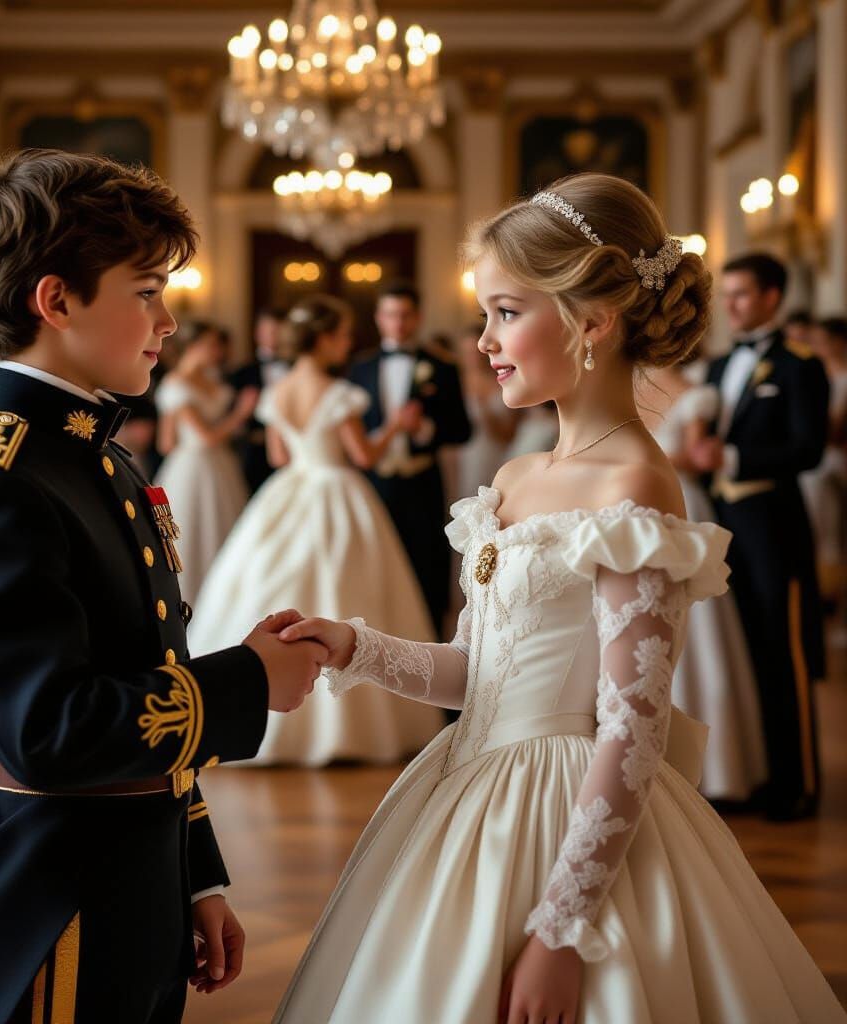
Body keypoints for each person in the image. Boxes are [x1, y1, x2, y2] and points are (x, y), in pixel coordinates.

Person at [268, 174, 844, 1024]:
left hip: (569, 814)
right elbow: (480, 676)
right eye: (485, 316)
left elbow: (633, 724)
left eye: (505, 312)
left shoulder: (634, 483)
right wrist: (354, 647)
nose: (484, 342)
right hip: (466, 792)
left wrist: (562, 928)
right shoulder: (511, 478)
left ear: (593, 321)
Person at [0, 148, 325, 1024]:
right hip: (48, 900)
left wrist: (194, 869)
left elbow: (144, 664)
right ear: (55, 301)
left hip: (134, 872)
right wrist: (246, 681)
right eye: (147, 290)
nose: (167, 321)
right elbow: (50, 730)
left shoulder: (93, 454)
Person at [189, 296, 443, 765]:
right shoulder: (339, 392)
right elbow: (365, 457)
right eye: (344, 335)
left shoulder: (278, 391)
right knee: (349, 588)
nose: (348, 344)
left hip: (289, 490)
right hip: (337, 490)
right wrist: (393, 426)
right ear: (324, 338)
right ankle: (350, 723)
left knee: (266, 580)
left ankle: (258, 721)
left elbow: (278, 457)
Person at [695, 253, 828, 821]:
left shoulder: (802, 367)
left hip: (773, 525)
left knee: (782, 650)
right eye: (726, 295)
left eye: (742, 294)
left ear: (773, 296)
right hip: (721, 521)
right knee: (741, 649)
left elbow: (809, 449)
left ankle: (796, 782)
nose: (731, 306)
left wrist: (730, 455)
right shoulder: (718, 365)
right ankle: (751, 771)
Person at [637, 362, 767, 802]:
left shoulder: (695, 396)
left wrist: (637, 460)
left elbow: (695, 459)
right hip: (628, 517)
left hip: (680, 507)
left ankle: (711, 770)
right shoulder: (625, 386)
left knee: (693, 635)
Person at [350, 282, 471, 633]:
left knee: (427, 561)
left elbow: (462, 430)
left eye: (405, 315)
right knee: (376, 561)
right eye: (390, 315)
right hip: (374, 481)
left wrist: (424, 429)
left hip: (422, 481)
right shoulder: (360, 367)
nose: (398, 323)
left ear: (417, 317)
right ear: (378, 318)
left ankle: (429, 638)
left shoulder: (443, 366)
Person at [153, 320, 256, 603]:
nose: (218, 351)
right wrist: (241, 414)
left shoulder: (212, 379)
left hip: (221, 465)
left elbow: (166, 442)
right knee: (194, 534)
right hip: (193, 469)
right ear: (193, 346)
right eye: (211, 344)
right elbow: (203, 438)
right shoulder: (176, 383)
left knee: (223, 530)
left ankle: (222, 600)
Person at [801, 315, 847, 638]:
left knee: (832, 535)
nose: (816, 346)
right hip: (818, 462)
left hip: (834, 461)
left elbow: (831, 428)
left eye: (822, 340)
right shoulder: (816, 373)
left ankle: (833, 604)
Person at [450, 321, 518, 503]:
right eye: (467, 352)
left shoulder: (502, 381)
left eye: (476, 352)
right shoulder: (454, 384)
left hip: (497, 455)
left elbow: (509, 435)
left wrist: (486, 412)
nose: (473, 357)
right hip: (463, 459)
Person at [230, 306, 290, 494]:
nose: (275, 336)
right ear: (258, 333)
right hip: (255, 452)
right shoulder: (241, 373)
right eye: (270, 330)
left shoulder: (298, 370)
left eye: (280, 330)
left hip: (294, 449)